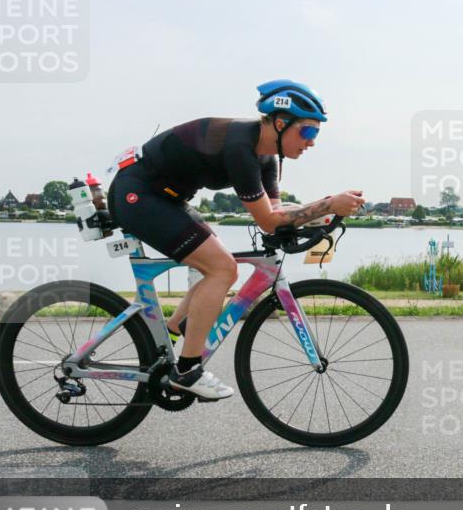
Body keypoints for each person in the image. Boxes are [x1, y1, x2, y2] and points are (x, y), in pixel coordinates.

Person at [106, 79, 365, 400]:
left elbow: (276, 210)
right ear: (281, 124)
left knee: (215, 264)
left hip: (165, 197)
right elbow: (268, 222)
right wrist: (328, 205)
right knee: (221, 269)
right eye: (308, 131)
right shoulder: (240, 147)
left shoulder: (266, 157)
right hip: (139, 194)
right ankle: (186, 371)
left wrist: (324, 211)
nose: (312, 142)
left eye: (316, 134)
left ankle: (169, 337)